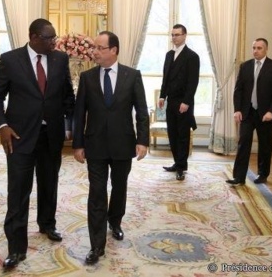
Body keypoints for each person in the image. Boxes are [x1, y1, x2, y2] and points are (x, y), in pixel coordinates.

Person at [0, 18, 75, 270]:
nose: (54, 42)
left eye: (55, 38)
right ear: (34, 37)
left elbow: (67, 94)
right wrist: (2, 126)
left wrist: (69, 126)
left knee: (50, 184)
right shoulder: (10, 60)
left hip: (52, 136)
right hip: (19, 137)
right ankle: (16, 248)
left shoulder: (60, 59)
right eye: (50, 38)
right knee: (18, 191)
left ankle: (47, 224)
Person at [72, 31, 149, 265]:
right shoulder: (87, 77)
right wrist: (77, 144)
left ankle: (115, 221)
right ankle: (96, 245)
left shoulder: (132, 76)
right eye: (94, 47)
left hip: (123, 143)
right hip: (94, 144)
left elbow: (142, 111)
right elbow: (79, 114)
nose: (94, 51)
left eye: (99, 47)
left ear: (114, 50)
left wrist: (143, 141)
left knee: (119, 187)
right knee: (96, 193)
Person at [226, 38, 272, 186]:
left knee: (265, 145)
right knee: (243, 143)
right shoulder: (245, 66)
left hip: (265, 114)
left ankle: (262, 174)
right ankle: (239, 177)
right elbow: (238, 90)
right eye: (253, 48)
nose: (255, 51)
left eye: (259, 48)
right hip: (247, 112)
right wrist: (237, 110)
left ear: (266, 50)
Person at [159, 23, 200, 181]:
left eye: (177, 35)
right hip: (171, 101)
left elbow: (193, 82)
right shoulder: (169, 55)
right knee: (172, 134)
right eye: (172, 35)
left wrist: (187, 102)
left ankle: (182, 167)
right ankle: (177, 162)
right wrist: (162, 96)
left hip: (184, 103)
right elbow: (166, 78)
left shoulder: (192, 56)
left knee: (182, 135)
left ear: (184, 36)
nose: (174, 37)